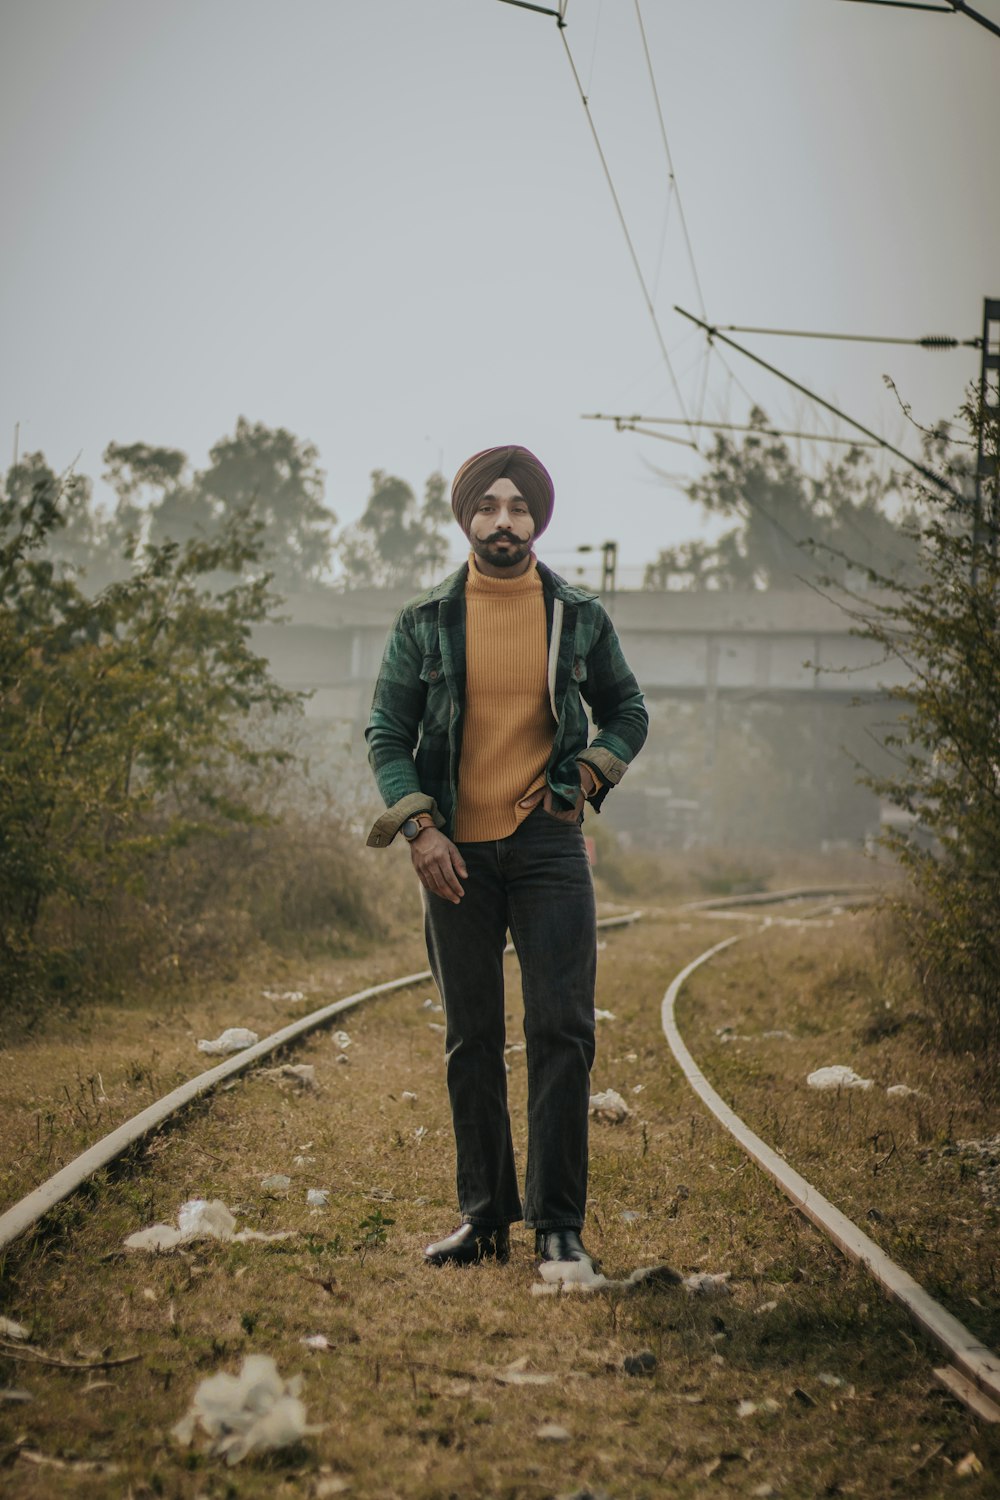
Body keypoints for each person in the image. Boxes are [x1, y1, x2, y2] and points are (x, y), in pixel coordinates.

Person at [365, 445, 647, 1270]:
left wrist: (589, 773)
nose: (502, 521)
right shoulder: (424, 620)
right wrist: (421, 829)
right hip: (454, 852)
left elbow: (626, 707)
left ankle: (559, 1224)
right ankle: (485, 1220)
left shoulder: (577, 613)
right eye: (487, 506)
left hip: (549, 848)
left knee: (562, 1029)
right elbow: (387, 732)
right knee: (472, 1036)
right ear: (466, 519)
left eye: (518, 507)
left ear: (536, 521)